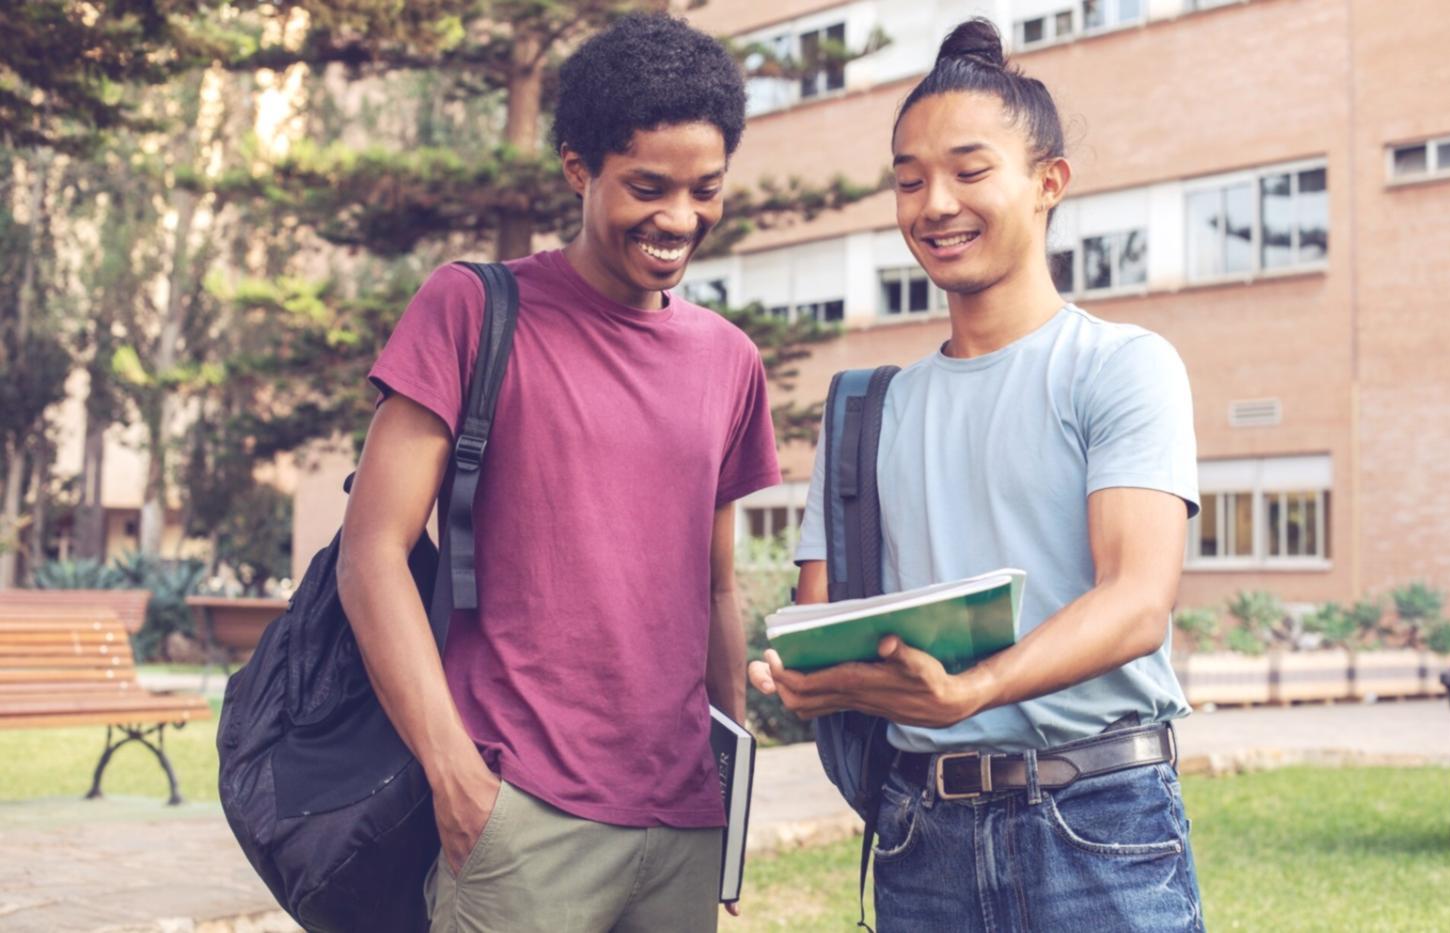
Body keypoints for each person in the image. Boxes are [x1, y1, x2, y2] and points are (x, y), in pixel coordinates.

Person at [750, 18, 1205, 933]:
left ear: (1048, 182)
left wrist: (972, 688)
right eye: (908, 180)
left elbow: (1135, 601)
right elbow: (824, 621)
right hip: (920, 834)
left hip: (1097, 822)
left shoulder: (1120, 366)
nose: (934, 204)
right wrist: (813, 674)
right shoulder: (864, 412)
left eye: (968, 171)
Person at [337, 13, 779, 932]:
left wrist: (727, 799)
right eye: (647, 187)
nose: (679, 219)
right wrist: (455, 777)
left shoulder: (730, 360)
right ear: (578, 168)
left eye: (705, 189)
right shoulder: (471, 308)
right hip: (521, 816)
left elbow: (713, 587)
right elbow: (370, 553)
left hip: (682, 824)